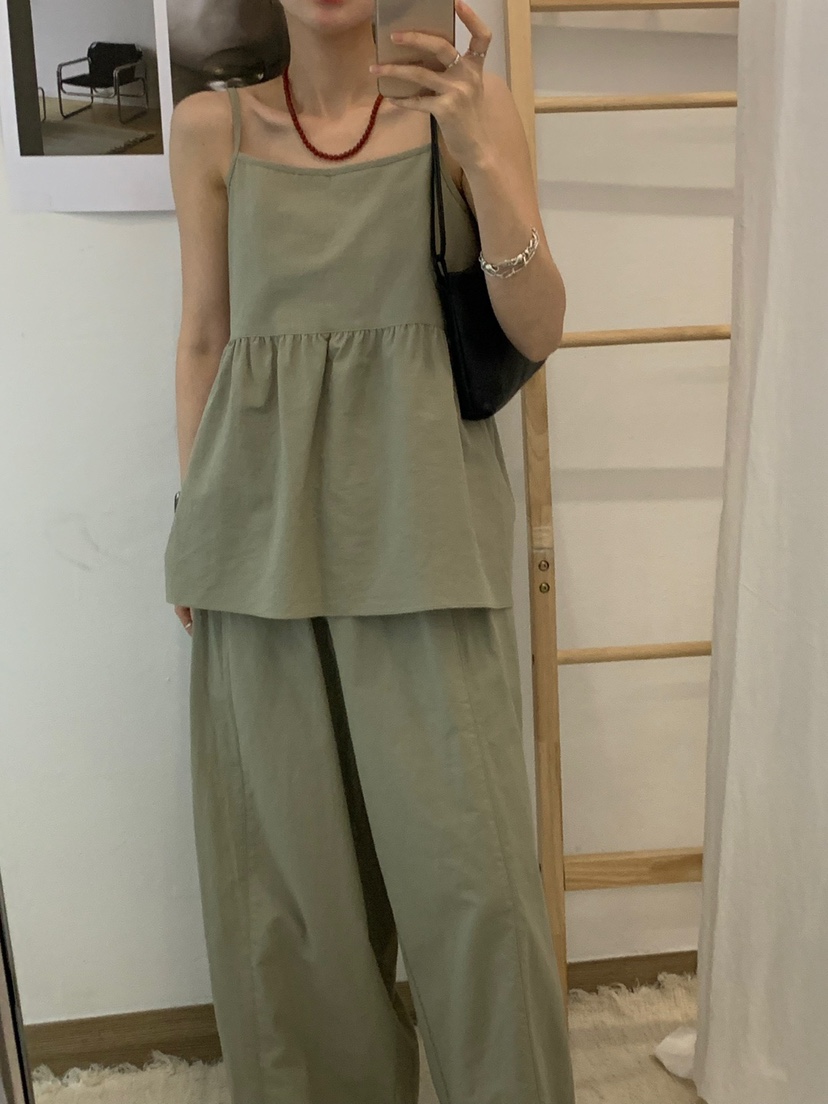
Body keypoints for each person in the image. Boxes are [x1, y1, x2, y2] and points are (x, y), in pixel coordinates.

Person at [163, 0, 575, 1099]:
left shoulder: (465, 109)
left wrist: (483, 153)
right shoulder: (209, 130)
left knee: (475, 889)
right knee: (293, 909)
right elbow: (204, 336)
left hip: (427, 533)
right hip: (255, 545)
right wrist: (193, 520)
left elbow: (538, 328)